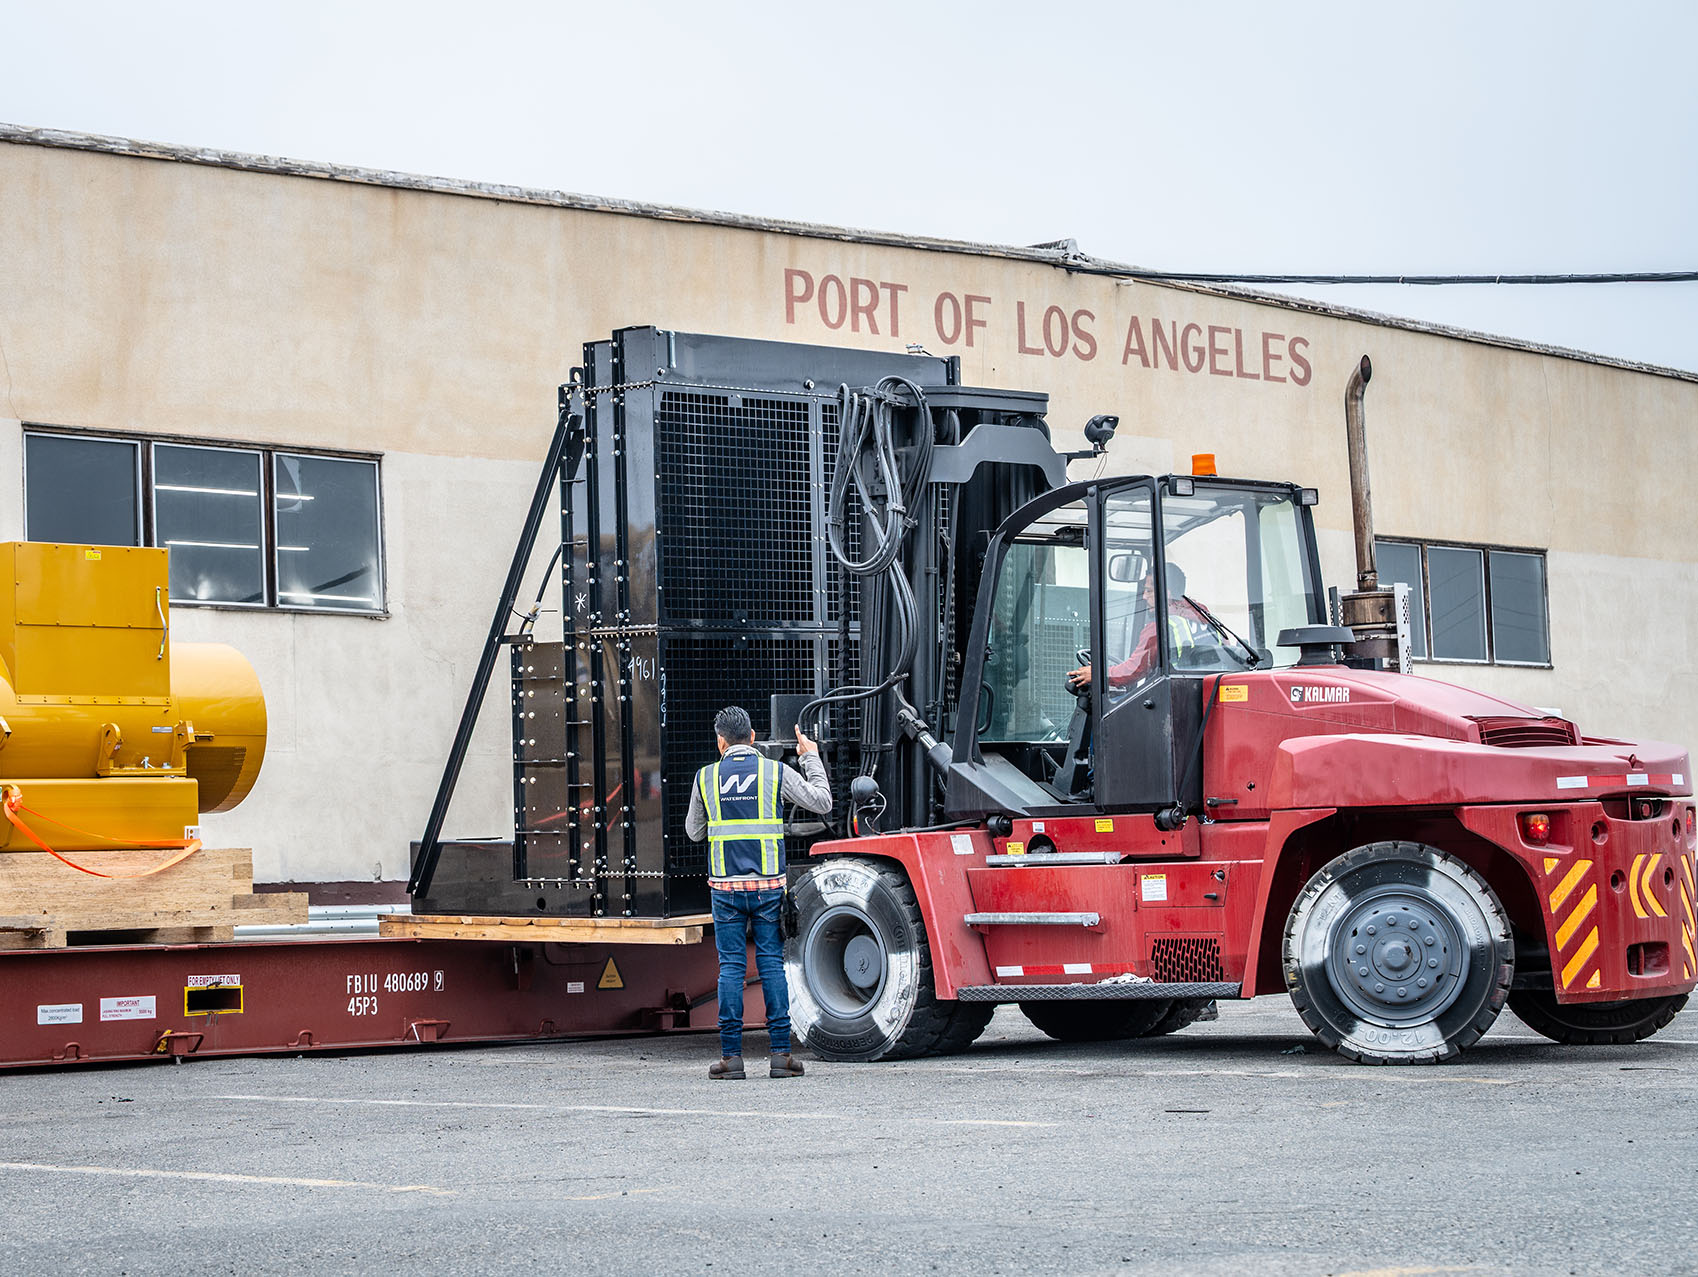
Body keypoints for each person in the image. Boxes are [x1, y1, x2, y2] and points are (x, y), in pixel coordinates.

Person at [686, 705, 833, 1080]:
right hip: (768, 888)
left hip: (725, 889)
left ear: (720, 742)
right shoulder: (775, 772)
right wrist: (811, 757)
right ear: (752, 738)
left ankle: (731, 1059)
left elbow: (694, 832)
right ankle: (781, 1056)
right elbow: (822, 802)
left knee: (731, 968)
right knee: (770, 964)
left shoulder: (705, 777)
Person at [1066, 562, 1209, 692]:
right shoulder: (1203, 617)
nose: (1144, 597)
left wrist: (1098, 674)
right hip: (1198, 693)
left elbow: (1133, 671)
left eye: (1149, 591)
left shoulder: (1160, 628)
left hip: (1174, 696)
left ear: (1165, 593)